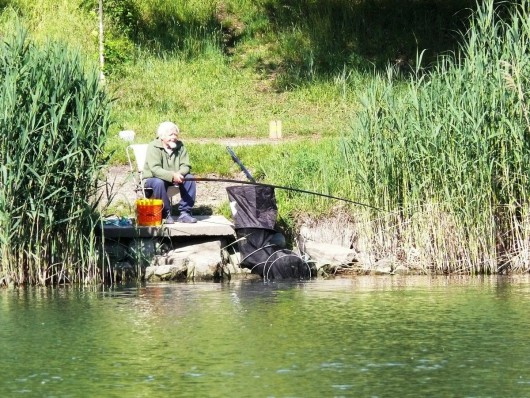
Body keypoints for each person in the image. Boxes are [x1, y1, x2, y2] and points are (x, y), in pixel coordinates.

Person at [143, 121, 197, 224]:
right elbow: (155, 169)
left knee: (190, 178)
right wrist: (172, 175)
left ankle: (185, 213)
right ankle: (165, 214)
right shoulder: (153, 146)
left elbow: (186, 165)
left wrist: (179, 174)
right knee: (158, 182)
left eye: (175, 134)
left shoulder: (180, 146)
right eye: (170, 134)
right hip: (153, 178)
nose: (174, 137)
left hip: (175, 177)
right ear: (162, 136)